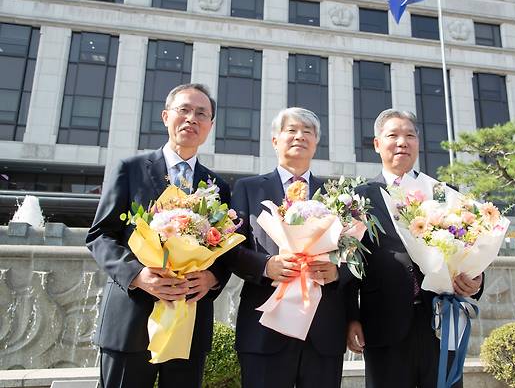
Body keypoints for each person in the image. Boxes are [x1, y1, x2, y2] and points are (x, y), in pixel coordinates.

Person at [86, 83, 232, 388]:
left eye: (201, 114)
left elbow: (226, 250)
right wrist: (138, 275)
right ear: (166, 116)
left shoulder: (218, 186)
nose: (192, 119)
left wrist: (212, 278)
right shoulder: (130, 169)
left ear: (210, 126)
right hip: (132, 317)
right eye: (184, 110)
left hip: (188, 319)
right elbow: (101, 234)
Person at [346, 109, 485, 388]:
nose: (402, 142)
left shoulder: (444, 193)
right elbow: (349, 264)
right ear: (377, 144)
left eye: (410, 135)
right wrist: (350, 317)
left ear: (418, 144)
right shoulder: (358, 197)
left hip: (441, 322)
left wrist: (477, 278)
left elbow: (470, 243)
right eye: (393, 135)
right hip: (384, 324)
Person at [224, 107, 348, 388]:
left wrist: (338, 272)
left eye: (308, 132)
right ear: (274, 140)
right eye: (291, 130)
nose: (299, 136)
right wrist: (265, 266)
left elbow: (356, 257)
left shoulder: (337, 195)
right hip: (264, 330)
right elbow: (229, 249)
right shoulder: (248, 188)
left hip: (323, 331)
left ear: (316, 142)